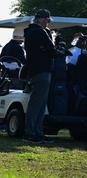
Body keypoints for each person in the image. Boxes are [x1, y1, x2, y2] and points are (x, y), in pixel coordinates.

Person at [22, 9, 66, 144]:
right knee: (37, 104)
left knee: (40, 103)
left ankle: (38, 132)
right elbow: (52, 51)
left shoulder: (30, 32)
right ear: (44, 20)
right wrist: (61, 51)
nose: (48, 24)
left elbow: (47, 49)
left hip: (35, 70)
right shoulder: (39, 32)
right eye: (47, 21)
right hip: (42, 70)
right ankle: (30, 133)